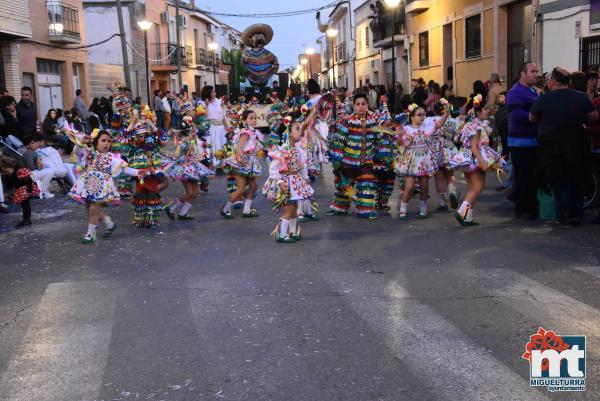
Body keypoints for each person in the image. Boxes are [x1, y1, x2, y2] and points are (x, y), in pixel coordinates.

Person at [529, 67, 598, 227]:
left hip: (553, 148)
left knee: (559, 182)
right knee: (577, 180)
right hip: (577, 145)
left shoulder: (545, 99)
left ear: (553, 81)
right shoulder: (581, 97)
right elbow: (593, 116)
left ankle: (562, 216)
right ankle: (576, 215)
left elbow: (531, 117)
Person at [70, 130, 147, 243]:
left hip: (101, 186)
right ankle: (109, 224)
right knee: (90, 207)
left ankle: (91, 234)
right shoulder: (89, 152)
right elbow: (77, 151)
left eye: (108, 141)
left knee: (93, 209)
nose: (106, 143)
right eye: (103, 140)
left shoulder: (111, 157)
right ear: (96, 142)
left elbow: (124, 168)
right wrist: (82, 141)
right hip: (87, 183)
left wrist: (137, 172)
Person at [449, 95, 504, 226]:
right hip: (474, 157)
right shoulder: (477, 126)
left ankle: (468, 216)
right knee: (478, 187)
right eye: (485, 109)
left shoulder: (471, 124)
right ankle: (462, 211)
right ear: (478, 112)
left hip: (467, 157)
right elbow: (474, 145)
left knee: (473, 188)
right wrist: (481, 161)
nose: (488, 111)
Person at [327, 93, 381, 219]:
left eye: (363, 104)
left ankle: (365, 209)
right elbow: (340, 141)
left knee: (366, 184)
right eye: (358, 104)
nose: (361, 107)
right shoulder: (348, 121)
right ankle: (340, 207)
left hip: (366, 161)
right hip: (348, 162)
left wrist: (379, 154)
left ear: (367, 105)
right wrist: (337, 160)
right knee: (345, 185)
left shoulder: (373, 122)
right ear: (353, 106)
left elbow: (378, 139)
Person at [262, 115, 314, 243]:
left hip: (296, 181)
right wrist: (280, 182)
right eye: (297, 128)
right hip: (287, 182)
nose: (301, 130)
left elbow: (302, 165)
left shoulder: (299, 149)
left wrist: (305, 178)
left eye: (301, 128)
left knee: (294, 207)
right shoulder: (283, 150)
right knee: (289, 208)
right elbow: (273, 168)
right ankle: (281, 233)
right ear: (289, 133)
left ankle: (293, 231)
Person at [396, 103, 449, 219]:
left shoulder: (427, 127)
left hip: (424, 160)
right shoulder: (406, 129)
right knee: (409, 187)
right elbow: (399, 144)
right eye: (419, 115)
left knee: (424, 187)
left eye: (424, 115)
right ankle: (403, 210)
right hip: (412, 161)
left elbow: (440, 123)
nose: (422, 117)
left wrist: (447, 111)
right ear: (412, 117)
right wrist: (400, 137)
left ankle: (423, 209)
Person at [165, 104, 214, 221]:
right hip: (185, 169)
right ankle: (171, 207)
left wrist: (205, 146)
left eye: (194, 129)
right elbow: (178, 155)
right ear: (187, 132)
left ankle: (183, 213)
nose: (194, 131)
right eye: (192, 130)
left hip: (193, 166)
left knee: (195, 193)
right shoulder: (184, 143)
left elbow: (198, 146)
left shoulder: (192, 140)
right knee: (190, 193)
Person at [506, 62, 540, 219]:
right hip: (521, 142)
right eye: (533, 71)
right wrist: (532, 117)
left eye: (537, 71)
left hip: (534, 141)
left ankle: (531, 207)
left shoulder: (533, 91)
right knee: (523, 177)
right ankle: (522, 209)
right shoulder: (515, 92)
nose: (536, 74)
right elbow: (515, 115)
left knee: (532, 177)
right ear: (523, 73)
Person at [220, 109, 264, 218]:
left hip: (250, 161)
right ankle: (225, 208)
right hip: (243, 162)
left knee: (253, 186)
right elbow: (238, 147)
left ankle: (246, 210)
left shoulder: (252, 132)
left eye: (255, 118)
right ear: (244, 120)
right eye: (251, 118)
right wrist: (243, 160)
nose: (254, 120)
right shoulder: (246, 132)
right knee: (241, 189)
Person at [431, 100, 460, 210]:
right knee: (450, 174)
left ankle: (442, 202)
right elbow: (457, 137)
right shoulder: (453, 121)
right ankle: (452, 192)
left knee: (439, 177)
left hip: (436, 149)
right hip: (450, 148)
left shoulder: (433, 120)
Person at [1, 155, 40, 228]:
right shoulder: (9, 174)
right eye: (4, 172)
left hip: (25, 189)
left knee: (25, 205)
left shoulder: (20, 171)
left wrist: (29, 191)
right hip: (20, 189)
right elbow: (8, 183)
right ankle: (26, 219)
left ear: (11, 166)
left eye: (7, 171)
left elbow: (29, 180)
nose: (6, 173)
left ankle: (26, 219)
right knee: (23, 205)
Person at [201, 86, 228, 166]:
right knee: (212, 146)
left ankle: (221, 164)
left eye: (214, 91)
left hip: (221, 128)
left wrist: (227, 127)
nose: (215, 93)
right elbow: (203, 117)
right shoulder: (202, 103)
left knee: (222, 145)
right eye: (213, 92)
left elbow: (223, 115)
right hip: (211, 129)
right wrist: (206, 105)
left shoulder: (218, 101)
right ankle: (212, 164)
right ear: (208, 93)